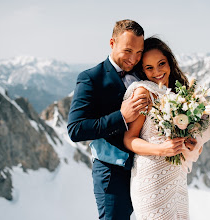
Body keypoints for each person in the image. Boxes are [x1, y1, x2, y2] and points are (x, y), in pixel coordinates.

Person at [67, 20, 147, 219]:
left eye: (139, 52)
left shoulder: (143, 72)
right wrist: (121, 117)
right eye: (128, 51)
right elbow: (75, 129)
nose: (134, 59)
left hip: (144, 169)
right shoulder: (90, 78)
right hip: (111, 173)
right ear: (112, 43)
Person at [123, 37, 207, 219]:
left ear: (170, 62)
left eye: (161, 63)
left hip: (176, 178)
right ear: (142, 70)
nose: (157, 72)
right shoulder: (144, 92)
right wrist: (160, 149)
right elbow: (129, 139)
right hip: (151, 178)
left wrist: (189, 142)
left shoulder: (180, 93)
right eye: (149, 68)